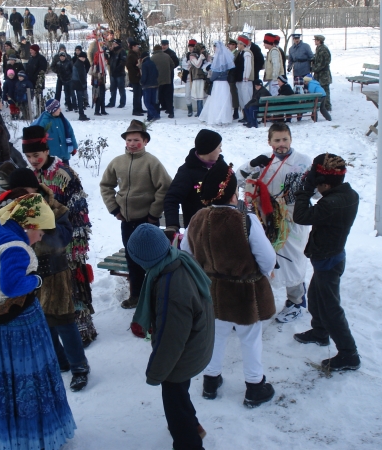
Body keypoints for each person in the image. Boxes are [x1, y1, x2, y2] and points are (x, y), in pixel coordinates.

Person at [0, 193, 77, 449]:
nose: (41, 238)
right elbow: (12, 286)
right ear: (29, 224)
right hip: (17, 324)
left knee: (1, 379)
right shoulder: (16, 248)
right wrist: (36, 280)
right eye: (39, 232)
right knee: (26, 377)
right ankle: (30, 436)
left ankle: (3, 432)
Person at [182, 159, 277, 407]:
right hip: (245, 292)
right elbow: (267, 259)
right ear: (234, 194)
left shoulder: (197, 218)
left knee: (216, 336)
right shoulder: (246, 220)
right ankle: (255, 386)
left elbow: (186, 252)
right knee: (250, 338)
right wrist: (261, 273)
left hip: (211, 290)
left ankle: (210, 381)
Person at [127, 223, 214, 450]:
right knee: (180, 394)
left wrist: (156, 372)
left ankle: (189, 442)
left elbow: (170, 339)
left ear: (143, 260)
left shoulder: (170, 287)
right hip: (197, 342)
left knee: (174, 405)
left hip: (183, 356)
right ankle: (193, 425)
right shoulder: (177, 259)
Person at [22, 125, 97, 347]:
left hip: (67, 239)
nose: (33, 160)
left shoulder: (64, 174)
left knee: (73, 285)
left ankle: (81, 331)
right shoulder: (31, 176)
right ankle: (52, 331)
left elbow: (79, 210)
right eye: (28, 156)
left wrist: (76, 244)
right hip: (42, 243)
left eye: (36, 155)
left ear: (46, 151)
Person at [237, 122, 311, 322]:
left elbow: (316, 190)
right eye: (277, 140)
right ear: (269, 142)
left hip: (294, 223)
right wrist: (252, 164)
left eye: (285, 139)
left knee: (293, 260)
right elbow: (237, 180)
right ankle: (263, 301)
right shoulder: (264, 163)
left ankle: (296, 301)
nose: (281, 144)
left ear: (291, 139)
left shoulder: (303, 162)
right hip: (268, 223)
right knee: (268, 260)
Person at [293, 153, 360, 371]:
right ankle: (320, 332)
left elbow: (301, 216)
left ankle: (349, 354)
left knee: (331, 308)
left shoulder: (332, 203)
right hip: (328, 256)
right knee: (314, 296)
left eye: (317, 184)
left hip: (328, 260)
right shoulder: (347, 194)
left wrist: (304, 190)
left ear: (324, 184)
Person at [100, 120, 172, 309]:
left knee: (153, 258)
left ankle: (157, 294)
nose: (132, 143)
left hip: (147, 222)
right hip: (127, 221)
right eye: (129, 140)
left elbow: (164, 187)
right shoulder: (117, 162)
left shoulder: (152, 162)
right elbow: (106, 186)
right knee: (132, 258)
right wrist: (115, 209)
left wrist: (153, 214)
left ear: (145, 141)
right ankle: (136, 295)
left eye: (136, 140)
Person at [163, 129, 224, 241]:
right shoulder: (187, 171)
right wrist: (172, 226)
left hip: (222, 231)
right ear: (209, 149)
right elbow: (171, 199)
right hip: (197, 234)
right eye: (219, 147)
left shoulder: (222, 168)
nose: (221, 150)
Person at [199, 41, 236, 126]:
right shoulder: (226, 57)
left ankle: (217, 117)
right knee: (223, 100)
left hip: (218, 83)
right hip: (225, 82)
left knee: (216, 100)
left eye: (215, 47)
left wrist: (210, 79)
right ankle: (224, 117)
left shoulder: (219, 58)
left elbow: (216, 72)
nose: (214, 49)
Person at [31, 99, 78, 164]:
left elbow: (70, 133)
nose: (60, 110)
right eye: (58, 108)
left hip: (64, 155)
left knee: (66, 173)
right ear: (53, 110)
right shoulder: (44, 122)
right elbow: (39, 139)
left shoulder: (63, 120)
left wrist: (74, 147)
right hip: (52, 157)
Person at [150, 44, 174, 117]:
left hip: (158, 81)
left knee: (158, 97)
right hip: (167, 80)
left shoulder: (152, 58)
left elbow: (150, 69)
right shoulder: (167, 56)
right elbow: (172, 65)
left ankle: (157, 113)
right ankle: (171, 112)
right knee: (168, 97)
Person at [311, 35, 332, 111]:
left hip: (323, 74)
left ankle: (327, 106)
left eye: (315, 40)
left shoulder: (323, 50)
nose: (314, 41)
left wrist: (313, 69)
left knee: (325, 90)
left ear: (319, 41)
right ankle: (322, 105)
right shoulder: (319, 48)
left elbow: (322, 63)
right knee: (321, 89)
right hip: (319, 74)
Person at [235, 36, 255, 116]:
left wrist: (245, 77)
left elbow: (247, 66)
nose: (238, 45)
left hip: (245, 80)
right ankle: (245, 115)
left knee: (246, 98)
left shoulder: (247, 53)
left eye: (239, 44)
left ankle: (249, 116)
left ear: (242, 44)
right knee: (242, 99)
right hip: (240, 79)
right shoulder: (240, 53)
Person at [188, 44, 208, 117]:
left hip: (202, 77)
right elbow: (197, 65)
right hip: (196, 77)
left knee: (201, 96)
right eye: (202, 49)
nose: (203, 51)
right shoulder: (192, 56)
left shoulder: (201, 55)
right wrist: (201, 58)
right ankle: (200, 112)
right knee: (199, 96)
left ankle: (201, 112)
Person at [106, 39, 127, 108]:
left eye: (115, 44)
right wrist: (110, 52)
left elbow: (123, 61)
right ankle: (112, 102)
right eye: (113, 44)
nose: (114, 45)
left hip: (119, 73)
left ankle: (122, 102)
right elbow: (108, 60)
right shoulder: (113, 52)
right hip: (113, 73)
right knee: (112, 89)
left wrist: (117, 69)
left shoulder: (122, 51)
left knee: (121, 88)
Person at [161, 40, 179, 117]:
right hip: (161, 75)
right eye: (162, 44)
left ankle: (169, 108)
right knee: (161, 92)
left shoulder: (171, 53)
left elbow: (176, 62)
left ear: (168, 45)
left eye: (165, 45)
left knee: (168, 92)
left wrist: (170, 68)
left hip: (168, 74)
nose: (163, 46)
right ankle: (164, 105)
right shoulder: (160, 52)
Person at [140, 51, 160, 121]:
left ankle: (155, 114)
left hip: (147, 86)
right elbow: (157, 74)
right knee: (152, 102)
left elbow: (144, 76)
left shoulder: (144, 64)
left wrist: (141, 82)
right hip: (154, 84)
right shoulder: (153, 63)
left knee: (147, 102)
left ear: (142, 58)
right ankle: (150, 116)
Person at [71, 52, 90, 121]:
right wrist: (84, 85)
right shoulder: (80, 65)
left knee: (80, 99)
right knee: (80, 100)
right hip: (79, 84)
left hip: (76, 83)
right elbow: (81, 76)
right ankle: (81, 114)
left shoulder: (77, 63)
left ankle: (81, 113)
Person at [126, 41, 143, 116]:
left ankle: (139, 108)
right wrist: (136, 72)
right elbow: (129, 66)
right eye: (136, 46)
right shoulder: (131, 55)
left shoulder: (136, 54)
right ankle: (136, 110)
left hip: (138, 76)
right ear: (133, 47)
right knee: (136, 94)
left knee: (139, 93)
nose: (138, 47)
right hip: (135, 77)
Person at [182, 39, 197, 117]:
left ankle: (199, 109)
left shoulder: (197, 54)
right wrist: (188, 65)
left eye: (192, 47)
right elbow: (184, 64)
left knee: (197, 94)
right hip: (188, 77)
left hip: (196, 77)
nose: (190, 48)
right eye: (189, 47)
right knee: (187, 94)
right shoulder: (187, 55)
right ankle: (190, 110)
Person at [91, 46, 108, 116]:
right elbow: (94, 72)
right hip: (97, 81)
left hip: (102, 80)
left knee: (103, 95)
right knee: (98, 96)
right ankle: (97, 110)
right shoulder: (96, 63)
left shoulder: (103, 62)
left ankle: (103, 110)